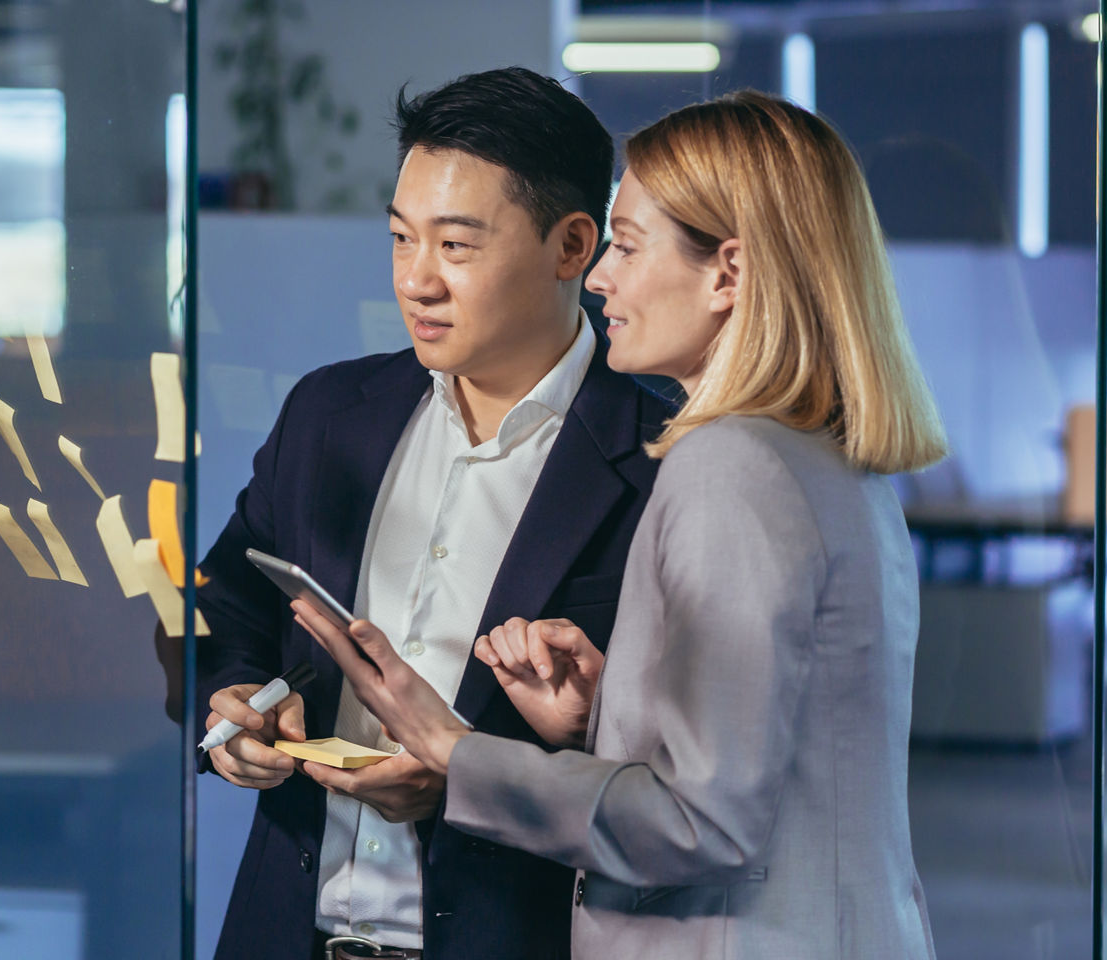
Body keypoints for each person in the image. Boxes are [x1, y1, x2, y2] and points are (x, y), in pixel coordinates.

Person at [294, 90, 949, 959]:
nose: (601, 276)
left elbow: (702, 825)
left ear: (729, 273)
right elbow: (778, 762)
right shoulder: (824, 461)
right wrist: (604, 716)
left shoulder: (728, 467)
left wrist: (456, 751)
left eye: (628, 247)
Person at [194, 67, 673, 960]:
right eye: (400, 239)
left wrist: (467, 777)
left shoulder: (664, 464)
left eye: (455, 247)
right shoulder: (329, 414)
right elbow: (224, 604)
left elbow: (687, 773)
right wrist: (228, 711)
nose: (417, 281)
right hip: (286, 931)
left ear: (574, 246)